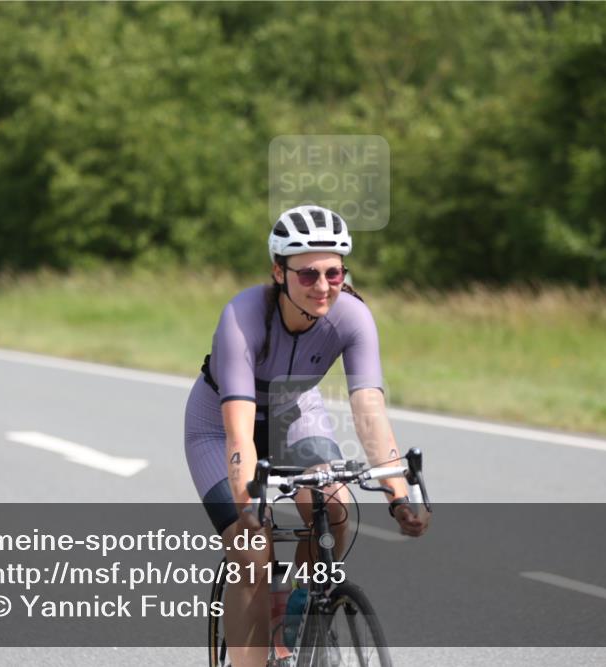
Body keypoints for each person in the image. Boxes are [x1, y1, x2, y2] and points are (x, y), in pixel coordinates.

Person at [184, 204, 429, 667]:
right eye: (308, 274)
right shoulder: (243, 317)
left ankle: (302, 607)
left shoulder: (352, 317)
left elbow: (369, 410)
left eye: (334, 273)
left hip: (295, 413)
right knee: (251, 551)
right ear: (279, 272)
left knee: (333, 504)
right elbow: (239, 431)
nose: (322, 286)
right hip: (220, 427)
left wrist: (398, 493)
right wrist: (248, 505)